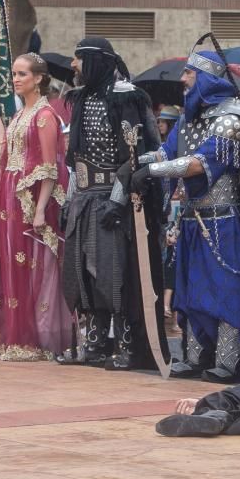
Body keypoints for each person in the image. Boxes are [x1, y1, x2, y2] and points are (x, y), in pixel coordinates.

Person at [132, 48, 240, 382]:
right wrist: (135, 162)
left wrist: (152, 171)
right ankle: (196, 356)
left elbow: (200, 162)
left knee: (225, 290)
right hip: (189, 220)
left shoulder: (232, 118)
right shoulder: (189, 117)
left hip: (222, 221)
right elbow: (167, 152)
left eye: (189, 72)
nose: (183, 79)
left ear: (208, 77)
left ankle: (228, 361)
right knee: (190, 291)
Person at [60, 36, 165, 371]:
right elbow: (74, 157)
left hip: (111, 200)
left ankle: (125, 346)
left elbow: (145, 152)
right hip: (83, 200)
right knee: (81, 276)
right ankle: (92, 344)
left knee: (113, 276)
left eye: (78, 59)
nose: (72, 65)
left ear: (94, 61)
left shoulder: (126, 98)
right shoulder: (79, 98)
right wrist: (70, 198)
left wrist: (118, 200)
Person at [0, 52, 71, 361]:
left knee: (33, 265)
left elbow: (49, 168)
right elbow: (7, 150)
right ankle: (17, 336)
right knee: (12, 263)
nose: (16, 79)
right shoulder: (21, 114)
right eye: (15, 74)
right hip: (10, 193)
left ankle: (36, 337)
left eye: (22, 74)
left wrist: (38, 211)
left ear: (38, 78)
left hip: (30, 197)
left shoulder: (45, 115)